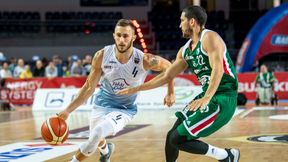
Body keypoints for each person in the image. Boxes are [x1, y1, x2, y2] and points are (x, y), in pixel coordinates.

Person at [117, 6, 240, 162]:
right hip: (207, 96)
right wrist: (136, 88)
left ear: (192, 22)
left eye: (182, 20)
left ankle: (226, 156)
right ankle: (227, 156)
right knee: (171, 137)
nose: (179, 25)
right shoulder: (184, 51)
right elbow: (167, 75)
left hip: (223, 97)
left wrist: (207, 97)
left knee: (177, 139)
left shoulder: (210, 38)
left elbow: (218, 69)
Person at [57, 19, 175, 162]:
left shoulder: (144, 59)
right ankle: (106, 152)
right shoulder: (101, 55)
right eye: (118, 35)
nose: (121, 40)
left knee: (97, 133)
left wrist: (170, 92)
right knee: (96, 138)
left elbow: (169, 66)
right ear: (114, 36)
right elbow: (89, 87)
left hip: (124, 109)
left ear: (133, 37)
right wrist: (68, 111)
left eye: (126, 36)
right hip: (101, 103)